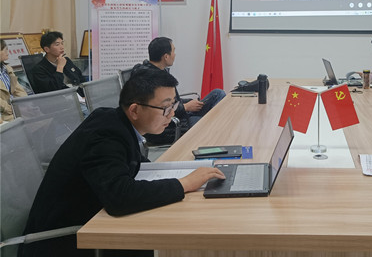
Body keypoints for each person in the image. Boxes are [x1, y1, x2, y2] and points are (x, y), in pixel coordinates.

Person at [19, 67, 226, 257]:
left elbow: (133, 167)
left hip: (89, 222)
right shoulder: (106, 136)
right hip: (63, 242)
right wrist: (185, 184)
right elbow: (119, 197)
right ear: (134, 110)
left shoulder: (118, 123)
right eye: (165, 108)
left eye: (174, 105)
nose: (171, 115)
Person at [132, 37, 226, 144]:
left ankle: (215, 124)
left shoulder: (159, 71)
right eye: (173, 51)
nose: (175, 55)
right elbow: (157, 110)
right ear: (166, 57)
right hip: (170, 127)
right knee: (211, 126)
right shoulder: (151, 78)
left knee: (218, 93)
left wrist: (187, 103)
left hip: (180, 114)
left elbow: (169, 101)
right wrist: (185, 107)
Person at [1, 39, 28, 122]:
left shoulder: (7, 68)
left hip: (16, 108)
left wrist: (26, 104)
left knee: (41, 117)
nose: (7, 52)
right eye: (5, 49)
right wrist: (12, 109)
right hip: (4, 113)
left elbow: (18, 90)